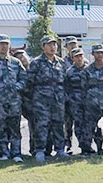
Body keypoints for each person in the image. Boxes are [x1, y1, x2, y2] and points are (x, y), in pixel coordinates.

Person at [0, 34, 27, 163]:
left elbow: (24, 78)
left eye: (6, 44)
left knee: (15, 127)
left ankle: (16, 153)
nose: (4, 46)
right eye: (1, 44)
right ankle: (3, 153)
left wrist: (17, 86)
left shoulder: (15, 62)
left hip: (14, 101)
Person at [27, 35, 69, 163]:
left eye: (54, 44)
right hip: (41, 101)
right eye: (49, 44)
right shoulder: (36, 63)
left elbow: (66, 81)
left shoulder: (61, 63)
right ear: (43, 47)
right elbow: (29, 83)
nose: (52, 47)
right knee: (41, 125)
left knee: (58, 125)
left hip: (58, 100)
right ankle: (40, 150)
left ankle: (60, 150)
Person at [65, 48, 94, 154]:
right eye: (77, 56)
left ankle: (89, 145)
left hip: (89, 102)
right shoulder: (69, 72)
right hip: (75, 102)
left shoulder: (90, 69)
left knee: (90, 124)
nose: (79, 58)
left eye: (81, 55)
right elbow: (66, 88)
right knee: (79, 125)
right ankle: (83, 146)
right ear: (73, 58)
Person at [14, 49, 35, 155]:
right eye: (18, 58)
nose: (21, 59)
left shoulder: (35, 68)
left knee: (35, 127)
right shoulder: (15, 71)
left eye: (23, 56)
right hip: (19, 102)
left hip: (35, 103)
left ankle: (34, 149)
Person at [62, 36, 79, 154]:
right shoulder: (62, 62)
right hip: (68, 97)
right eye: (70, 44)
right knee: (68, 124)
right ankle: (68, 146)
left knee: (83, 123)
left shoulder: (84, 61)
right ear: (66, 47)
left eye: (74, 44)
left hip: (81, 98)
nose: (72, 46)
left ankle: (86, 145)